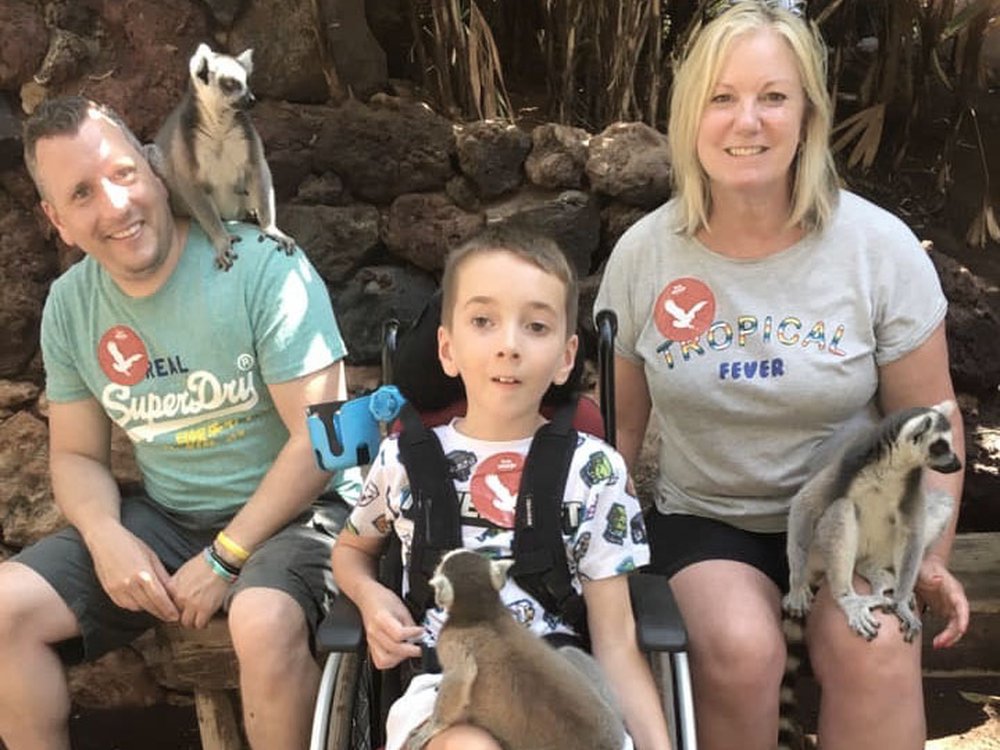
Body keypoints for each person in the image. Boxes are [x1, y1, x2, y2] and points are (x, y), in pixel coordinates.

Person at [595, 3, 969, 750]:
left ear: (809, 115)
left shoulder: (876, 249)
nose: (748, 122)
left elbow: (934, 416)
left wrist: (924, 558)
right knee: (740, 650)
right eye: (722, 98)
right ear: (691, 116)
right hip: (707, 518)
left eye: (773, 97)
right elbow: (615, 434)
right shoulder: (645, 255)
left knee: (878, 644)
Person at [0, 95, 359, 750]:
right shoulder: (70, 306)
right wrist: (105, 534)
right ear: (57, 220)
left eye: (122, 174)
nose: (115, 206)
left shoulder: (263, 268)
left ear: (155, 168)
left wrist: (226, 557)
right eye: (82, 193)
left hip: (302, 513)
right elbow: (76, 457)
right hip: (170, 520)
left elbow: (327, 436)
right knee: (3, 611)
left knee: (260, 618)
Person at [331, 226, 672, 750]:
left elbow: (616, 642)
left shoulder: (593, 472)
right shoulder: (402, 460)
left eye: (535, 326)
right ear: (447, 348)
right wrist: (369, 594)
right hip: (449, 687)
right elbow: (351, 549)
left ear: (565, 357)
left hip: (561, 683)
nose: (509, 345)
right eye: (483, 321)